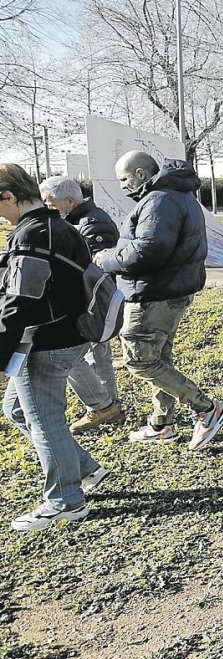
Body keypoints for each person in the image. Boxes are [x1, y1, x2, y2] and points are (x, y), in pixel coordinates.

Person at [95, 151, 223, 450]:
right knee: (158, 359)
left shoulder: (160, 200)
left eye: (124, 179)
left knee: (140, 360)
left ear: (141, 173)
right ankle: (161, 424)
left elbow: (148, 251)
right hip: (168, 291)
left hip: (153, 294)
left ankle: (207, 408)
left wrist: (106, 258)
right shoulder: (178, 195)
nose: (122, 186)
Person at [1, 164, 112, 531]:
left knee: (44, 420)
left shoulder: (31, 235)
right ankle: (84, 468)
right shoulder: (59, 226)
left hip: (44, 342)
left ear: (10, 197)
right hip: (68, 334)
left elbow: (21, 301)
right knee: (17, 409)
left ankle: (65, 501)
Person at [38, 176, 126, 432]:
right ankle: (106, 406)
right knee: (90, 355)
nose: (47, 207)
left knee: (94, 356)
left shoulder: (92, 224)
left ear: (69, 201)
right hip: (85, 303)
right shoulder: (78, 219)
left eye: (50, 202)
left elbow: (96, 270)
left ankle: (107, 407)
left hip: (93, 304)